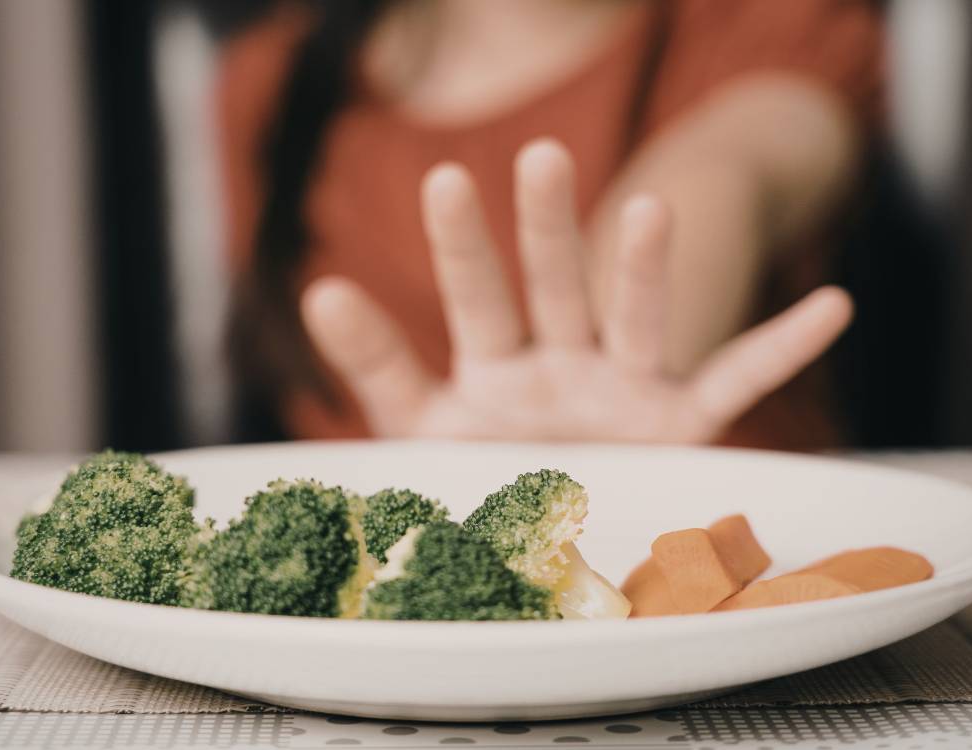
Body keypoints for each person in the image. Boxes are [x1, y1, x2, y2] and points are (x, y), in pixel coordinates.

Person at [215, 0, 883, 449]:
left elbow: (719, 173)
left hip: (733, 582)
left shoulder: (764, 26)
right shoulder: (270, 81)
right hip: (387, 611)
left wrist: (591, 417)